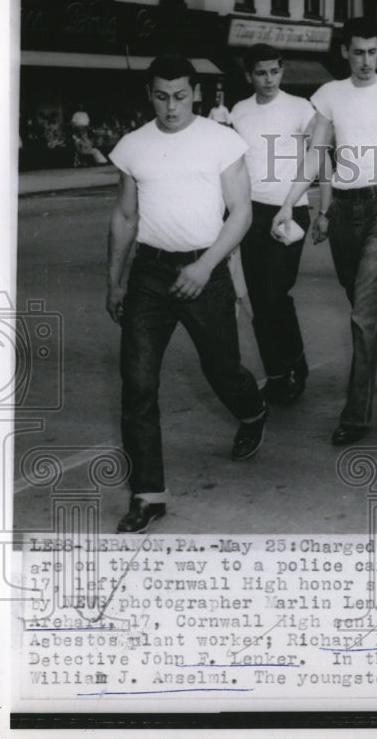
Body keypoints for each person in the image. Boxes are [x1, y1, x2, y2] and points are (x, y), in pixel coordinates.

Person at [106, 54, 268, 534]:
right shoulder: (133, 146)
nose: (171, 107)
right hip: (150, 276)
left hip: (208, 270)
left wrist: (204, 265)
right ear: (149, 94)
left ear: (195, 92)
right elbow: (124, 217)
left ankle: (253, 410)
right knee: (137, 385)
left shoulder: (222, 141)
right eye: (160, 96)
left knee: (221, 369)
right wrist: (113, 280)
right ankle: (149, 494)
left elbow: (241, 213)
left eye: (179, 96)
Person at [273, 16, 377, 446]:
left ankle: (356, 416)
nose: (366, 61)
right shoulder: (329, 95)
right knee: (355, 294)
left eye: (373, 51)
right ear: (344, 52)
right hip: (345, 209)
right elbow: (316, 154)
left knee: (362, 313)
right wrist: (291, 202)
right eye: (358, 52)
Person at [230, 43, 316, 405]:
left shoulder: (301, 108)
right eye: (261, 73)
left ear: (282, 71)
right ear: (249, 75)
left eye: (275, 71)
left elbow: (317, 156)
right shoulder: (239, 111)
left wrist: (315, 207)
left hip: (290, 209)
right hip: (250, 211)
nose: (269, 79)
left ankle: (296, 362)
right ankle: (278, 374)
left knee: (274, 293)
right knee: (257, 298)